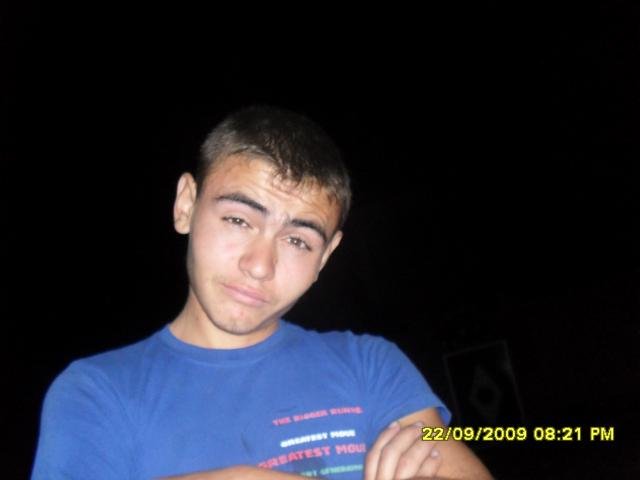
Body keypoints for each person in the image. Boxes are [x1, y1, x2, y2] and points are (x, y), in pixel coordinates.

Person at [31, 106, 492, 480]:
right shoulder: (95, 392)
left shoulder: (370, 366)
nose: (259, 265)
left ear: (326, 255)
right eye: (238, 220)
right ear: (186, 204)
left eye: (298, 241)